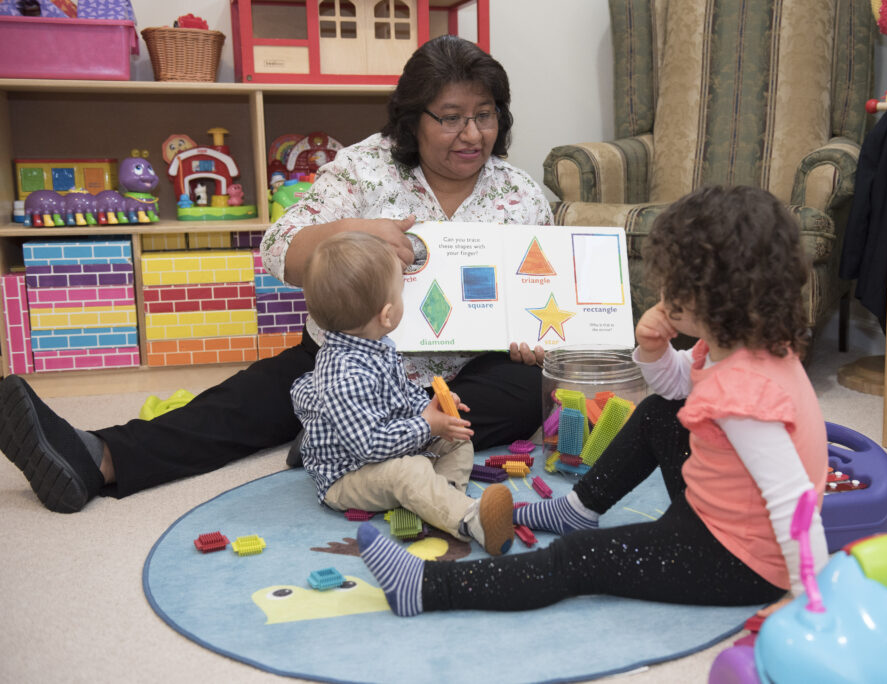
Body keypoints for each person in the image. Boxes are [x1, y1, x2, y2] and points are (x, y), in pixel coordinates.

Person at [0, 35, 553, 514]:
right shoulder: (364, 167)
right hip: (349, 357)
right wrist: (351, 231)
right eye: (451, 117)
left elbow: (544, 297)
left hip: (463, 369)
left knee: (527, 393)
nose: (472, 133)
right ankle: (99, 458)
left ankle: (347, 438)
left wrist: (535, 340)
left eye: (485, 114)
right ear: (413, 119)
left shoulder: (521, 193)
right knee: (246, 406)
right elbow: (278, 249)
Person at [355, 185, 830, 617]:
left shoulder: (746, 396)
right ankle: (577, 509)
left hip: (734, 559)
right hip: (714, 511)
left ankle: (427, 587)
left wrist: (806, 596)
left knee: (576, 561)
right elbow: (675, 388)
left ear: (713, 295)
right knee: (659, 413)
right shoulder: (742, 345)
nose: (662, 294)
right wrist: (654, 351)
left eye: (675, 285)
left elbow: (795, 500)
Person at [292, 231, 514, 555]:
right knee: (410, 472)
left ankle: (440, 501)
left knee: (458, 440)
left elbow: (403, 393)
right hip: (350, 474)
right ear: (386, 315)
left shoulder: (377, 346)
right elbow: (369, 446)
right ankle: (468, 518)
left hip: (394, 448)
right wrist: (426, 425)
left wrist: (434, 407)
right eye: (401, 294)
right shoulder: (344, 374)